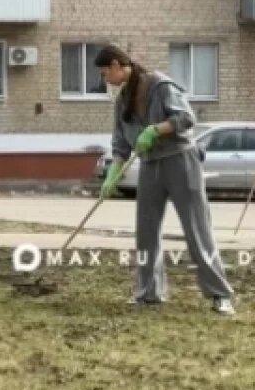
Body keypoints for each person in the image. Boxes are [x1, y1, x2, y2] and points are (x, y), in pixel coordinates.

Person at [95, 45, 235, 315]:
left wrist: (155, 130)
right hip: (150, 165)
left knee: (197, 230)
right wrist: (113, 173)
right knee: (146, 232)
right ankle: (149, 292)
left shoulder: (160, 85)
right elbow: (120, 143)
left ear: (116, 65)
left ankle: (219, 294)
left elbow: (186, 118)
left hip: (180, 160)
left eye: (104, 73)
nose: (105, 80)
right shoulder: (122, 100)